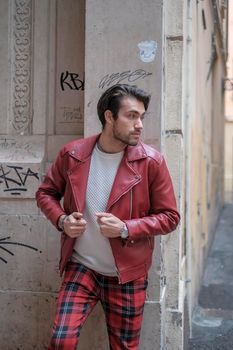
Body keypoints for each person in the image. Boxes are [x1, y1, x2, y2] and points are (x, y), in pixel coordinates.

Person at [36, 84, 180, 350]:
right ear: (109, 117)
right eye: (131, 116)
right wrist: (62, 221)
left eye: (142, 117)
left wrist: (126, 228)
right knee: (61, 341)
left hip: (126, 275)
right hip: (81, 267)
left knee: (124, 347)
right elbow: (45, 193)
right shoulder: (73, 154)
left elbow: (170, 216)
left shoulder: (151, 162)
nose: (139, 125)